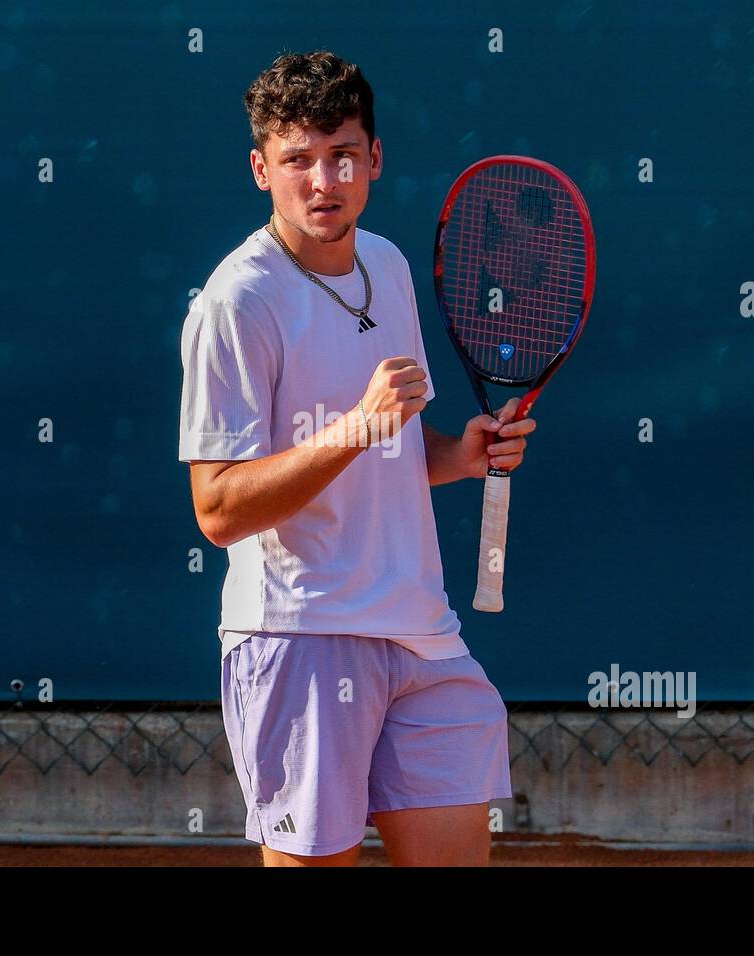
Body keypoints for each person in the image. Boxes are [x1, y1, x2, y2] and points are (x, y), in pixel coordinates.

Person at [178, 50, 536, 867]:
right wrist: (356, 425)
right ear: (261, 168)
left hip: (421, 637)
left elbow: (398, 456)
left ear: (374, 158)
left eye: (342, 154)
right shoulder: (238, 303)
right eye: (297, 159)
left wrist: (462, 454)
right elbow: (219, 510)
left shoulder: (389, 265)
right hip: (303, 637)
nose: (322, 180)